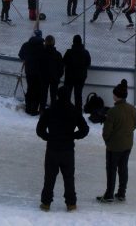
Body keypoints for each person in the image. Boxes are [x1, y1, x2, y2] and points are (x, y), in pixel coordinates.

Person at [37, 85, 90, 213]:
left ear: (57, 96)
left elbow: (40, 130)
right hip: (67, 150)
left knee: (49, 177)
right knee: (69, 178)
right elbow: (85, 129)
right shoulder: (74, 110)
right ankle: (71, 204)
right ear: (69, 96)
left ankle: (46, 203)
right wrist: (74, 135)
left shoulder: (50, 110)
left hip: (52, 149)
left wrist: (48, 137)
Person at [97, 79, 136, 203]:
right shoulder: (132, 109)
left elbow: (106, 132)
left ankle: (109, 194)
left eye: (114, 93)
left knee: (111, 169)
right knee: (123, 168)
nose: (113, 95)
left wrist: (108, 142)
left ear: (117, 96)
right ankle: (121, 193)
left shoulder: (112, 112)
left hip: (114, 147)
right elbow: (134, 125)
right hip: (127, 144)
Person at [19, 30, 46, 115]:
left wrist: (27, 59)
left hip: (29, 71)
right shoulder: (43, 47)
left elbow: (21, 55)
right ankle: (34, 110)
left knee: (30, 89)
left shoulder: (26, 45)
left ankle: (28, 108)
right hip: (39, 72)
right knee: (37, 90)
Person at [63, 35, 91, 111]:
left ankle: (66, 110)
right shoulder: (85, 52)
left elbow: (63, 62)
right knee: (78, 95)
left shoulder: (69, 52)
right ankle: (78, 111)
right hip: (81, 77)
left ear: (73, 42)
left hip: (69, 77)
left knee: (67, 94)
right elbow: (88, 64)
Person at [41, 35, 64, 109]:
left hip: (44, 77)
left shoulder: (42, 53)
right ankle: (53, 110)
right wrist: (58, 76)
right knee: (53, 95)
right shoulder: (58, 54)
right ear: (53, 43)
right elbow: (61, 68)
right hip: (54, 78)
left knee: (43, 94)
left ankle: (42, 110)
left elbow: (38, 65)